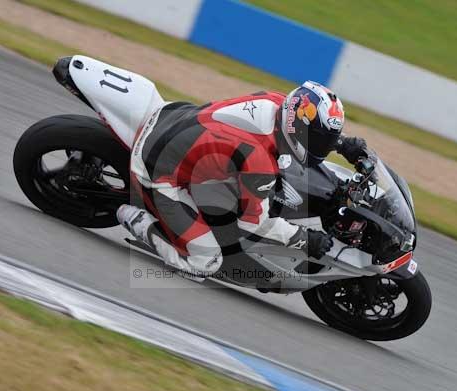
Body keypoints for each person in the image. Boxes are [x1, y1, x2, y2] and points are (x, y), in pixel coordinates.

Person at [118, 81, 368, 280]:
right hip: (157, 171)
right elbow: (255, 224)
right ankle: (137, 220)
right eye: (321, 140)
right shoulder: (259, 161)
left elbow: (309, 124)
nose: (323, 146)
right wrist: (305, 239)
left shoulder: (278, 102)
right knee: (205, 262)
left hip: (174, 117)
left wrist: (343, 144)